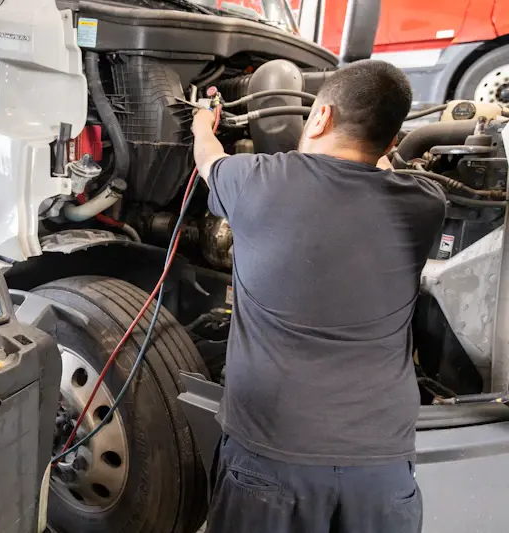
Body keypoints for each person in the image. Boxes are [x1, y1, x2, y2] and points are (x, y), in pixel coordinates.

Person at [191, 60, 446, 533]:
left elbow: (207, 160)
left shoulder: (254, 180)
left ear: (321, 117)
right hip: (381, 468)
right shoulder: (426, 205)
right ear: (393, 142)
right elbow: (380, 169)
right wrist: (377, 142)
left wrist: (201, 123)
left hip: (272, 460)